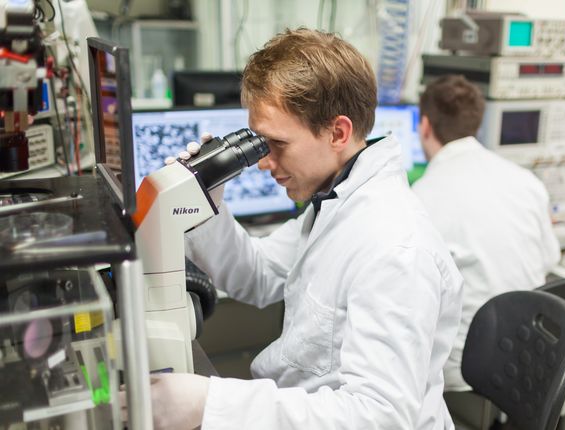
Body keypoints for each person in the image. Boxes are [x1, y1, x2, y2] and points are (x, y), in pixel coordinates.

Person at [135, 28, 463, 429]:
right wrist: (206, 199)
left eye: (277, 144)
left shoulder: (395, 248)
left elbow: (381, 417)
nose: (263, 162)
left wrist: (212, 404)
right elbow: (255, 276)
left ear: (338, 132)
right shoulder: (336, 200)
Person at [411, 75, 561, 392]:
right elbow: (550, 260)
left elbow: (406, 296)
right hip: (525, 357)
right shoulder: (527, 182)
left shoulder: (422, 197)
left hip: (460, 370)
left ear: (425, 126)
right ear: (476, 126)